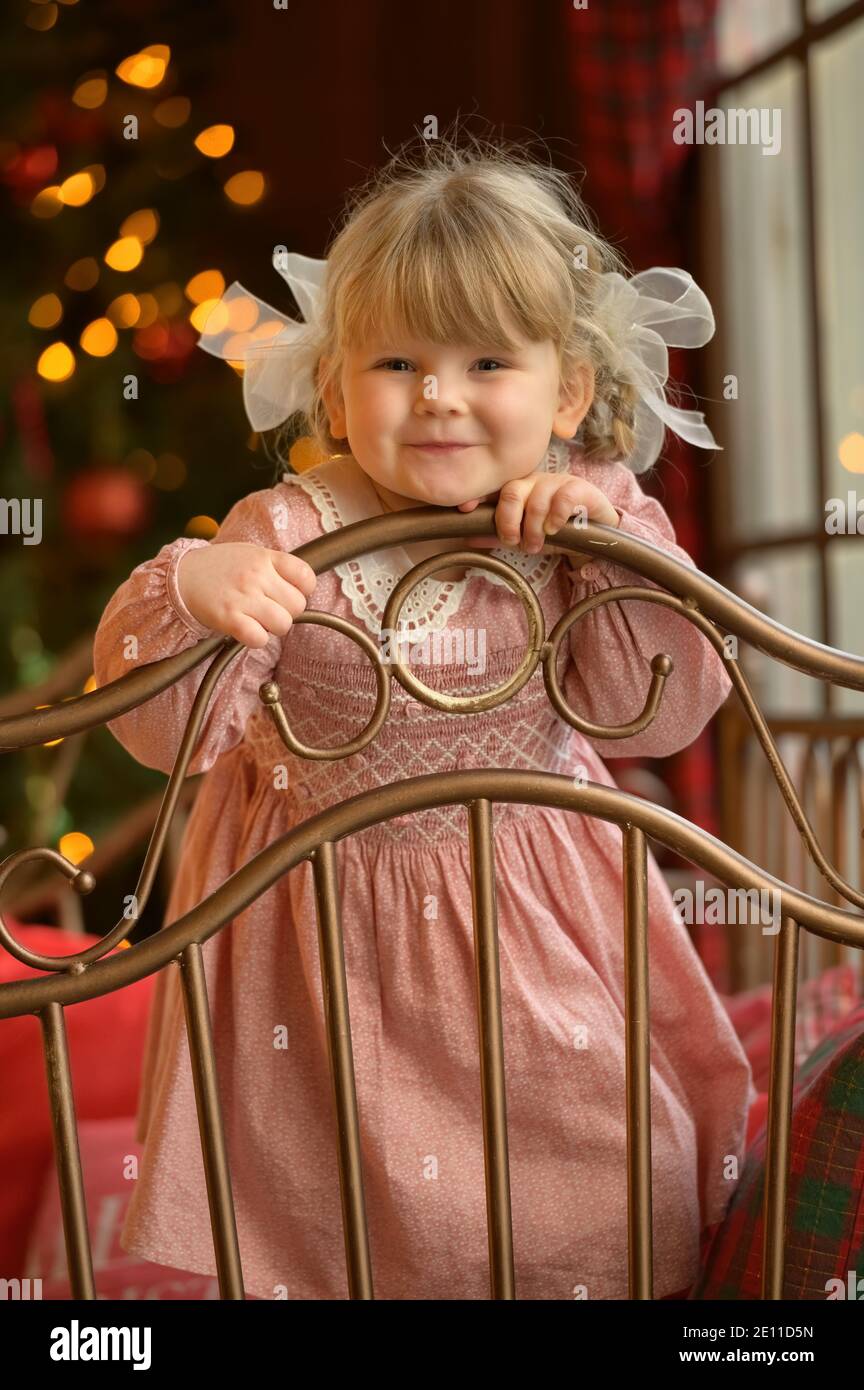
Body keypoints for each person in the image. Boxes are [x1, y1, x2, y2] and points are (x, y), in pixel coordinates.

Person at [92, 135, 755, 1300]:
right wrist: (192, 590)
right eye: (397, 361)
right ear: (339, 389)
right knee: (345, 1225)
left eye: (487, 360)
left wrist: (606, 548)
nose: (441, 395)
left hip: (543, 934)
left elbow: (656, 709)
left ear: (568, 391)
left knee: (604, 1179)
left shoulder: (575, 517)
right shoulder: (289, 527)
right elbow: (167, 738)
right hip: (322, 959)